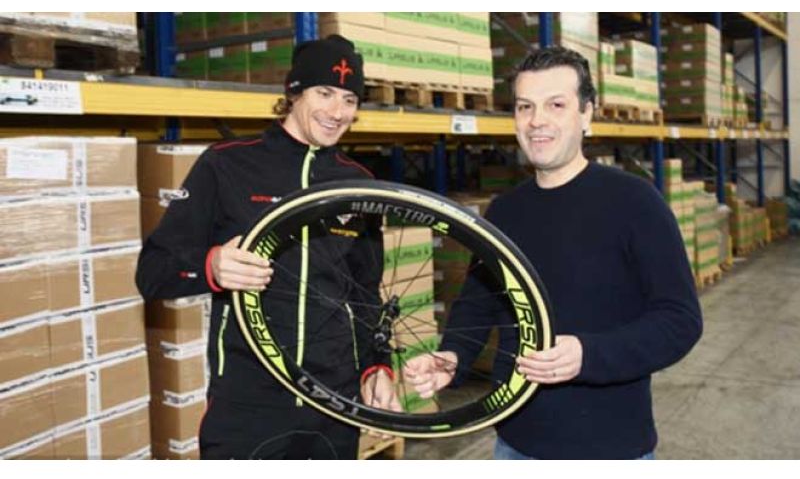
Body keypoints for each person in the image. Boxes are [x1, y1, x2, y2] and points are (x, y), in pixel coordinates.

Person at [403, 46, 703, 459]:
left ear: (586, 114)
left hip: (610, 449)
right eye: (525, 106)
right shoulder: (505, 210)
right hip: (514, 445)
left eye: (555, 105)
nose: (537, 120)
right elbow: (478, 302)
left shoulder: (635, 202)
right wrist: (454, 355)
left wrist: (588, 354)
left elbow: (680, 320)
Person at [136, 35, 400, 459]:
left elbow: (366, 292)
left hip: (333, 403)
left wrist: (377, 366)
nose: (337, 112)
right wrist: (212, 266)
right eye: (324, 93)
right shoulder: (226, 164)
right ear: (293, 93)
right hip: (248, 403)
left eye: (350, 99)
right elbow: (152, 272)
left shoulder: (359, 183)